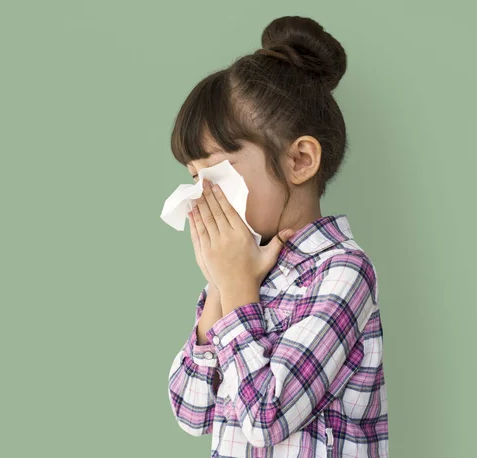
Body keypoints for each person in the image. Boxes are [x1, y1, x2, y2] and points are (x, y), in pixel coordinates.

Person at [167, 15, 389, 458]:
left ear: (301, 160)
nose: (200, 198)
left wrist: (235, 288)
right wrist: (218, 289)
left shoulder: (343, 272)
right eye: (193, 178)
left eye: (215, 172)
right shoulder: (243, 269)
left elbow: (266, 417)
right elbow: (191, 413)